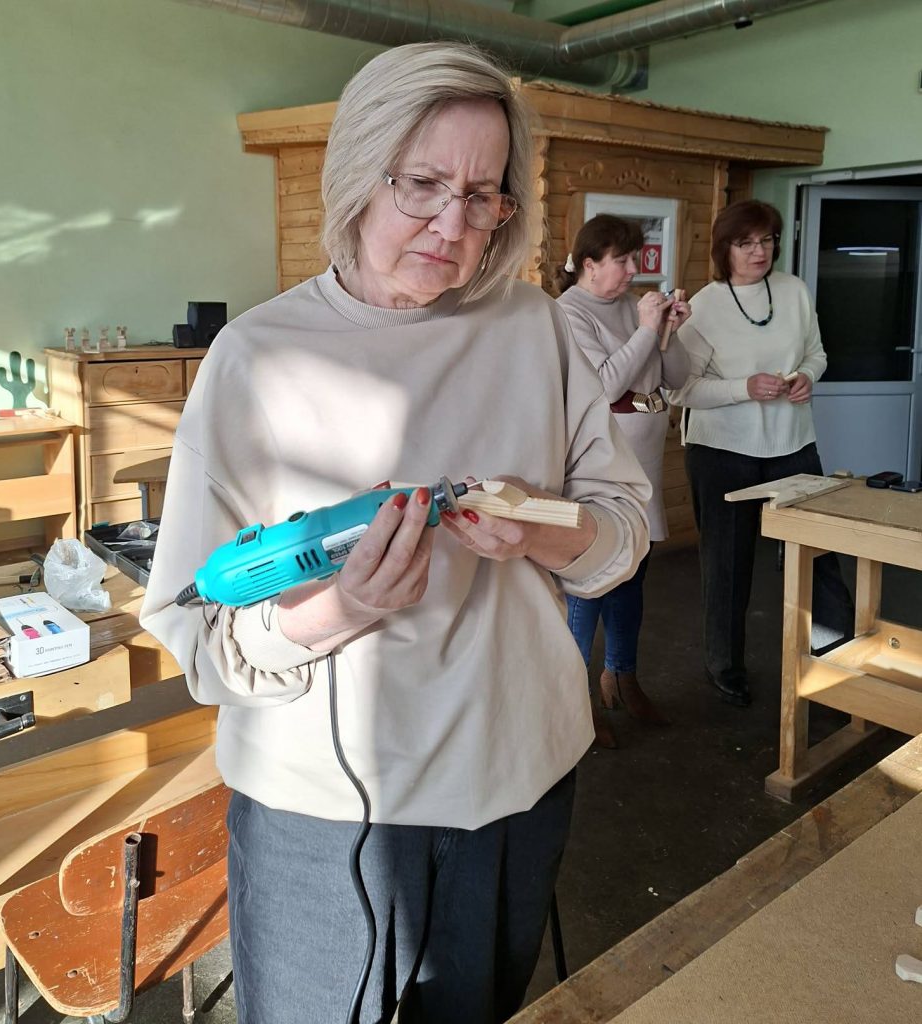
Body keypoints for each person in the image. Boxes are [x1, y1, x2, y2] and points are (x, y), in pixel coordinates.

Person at [141, 42, 650, 1024]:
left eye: (482, 194)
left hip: (513, 779)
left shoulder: (533, 329)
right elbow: (192, 628)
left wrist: (537, 531)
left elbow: (618, 533)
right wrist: (339, 609)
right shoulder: (255, 356)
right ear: (355, 173)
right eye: (421, 185)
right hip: (318, 814)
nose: (451, 223)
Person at [667, 199, 853, 708]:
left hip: (793, 445)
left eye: (767, 240)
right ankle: (724, 665)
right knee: (728, 564)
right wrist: (743, 387)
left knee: (821, 554)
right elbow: (681, 390)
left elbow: (817, 352)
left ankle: (838, 660)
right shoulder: (705, 306)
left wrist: (807, 378)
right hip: (721, 451)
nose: (759, 251)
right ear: (724, 248)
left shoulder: (793, 291)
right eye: (746, 242)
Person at [556, 214, 691, 747]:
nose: (636, 270)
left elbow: (677, 378)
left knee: (634, 574)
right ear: (590, 264)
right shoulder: (568, 312)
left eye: (637, 258)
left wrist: (669, 332)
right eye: (624, 260)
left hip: (645, 458)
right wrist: (643, 329)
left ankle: (622, 675)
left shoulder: (635, 309)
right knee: (590, 582)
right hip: (598, 463)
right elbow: (605, 383)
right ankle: (575, 698)